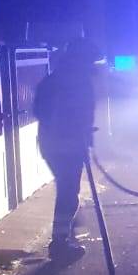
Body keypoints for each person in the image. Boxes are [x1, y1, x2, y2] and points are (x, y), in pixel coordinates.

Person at [34, 38, 99, 260]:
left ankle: (67, 233)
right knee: (68, 192)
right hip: (67, 145)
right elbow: (76, 113)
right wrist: (76, 130)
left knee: (67, 189)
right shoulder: (77, 82)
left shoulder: (54, 79)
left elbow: (39, 111)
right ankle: (59, 242)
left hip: (51, 144)